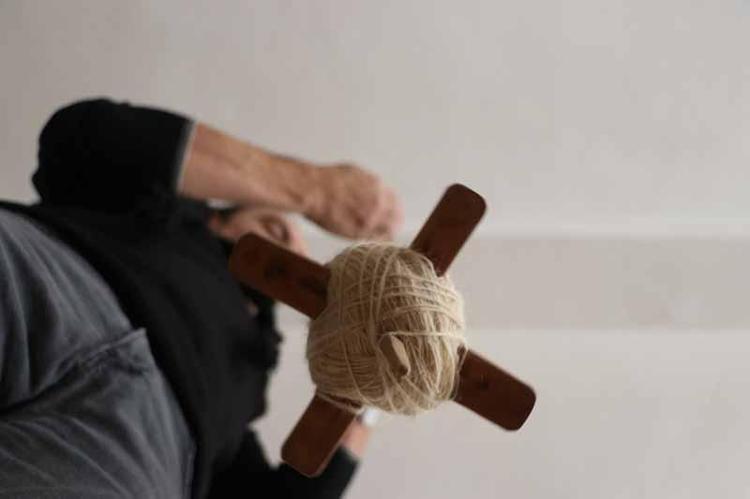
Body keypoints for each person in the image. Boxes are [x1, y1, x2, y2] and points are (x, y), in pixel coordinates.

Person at [0, 98, 403, 498]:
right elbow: (79, 135)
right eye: (276, 230)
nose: (293, 261)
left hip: (147, 443)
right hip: (59, 277)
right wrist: (312, 190)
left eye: (302, 262)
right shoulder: (149, 209)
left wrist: (369, 385)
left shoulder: (243, 394)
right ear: (217, 218)